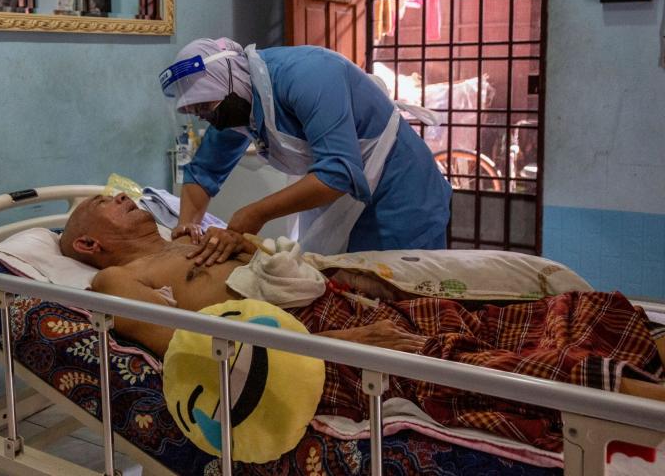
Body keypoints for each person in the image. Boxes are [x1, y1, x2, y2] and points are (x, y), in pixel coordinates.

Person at [59, 192, 665, 446]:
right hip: (320, 346)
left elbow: (276, 266)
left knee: (564, 311)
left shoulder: (190, 238)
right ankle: (645, 403)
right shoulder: (118, 282)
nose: (126, 198)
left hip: (346, 306)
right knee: (485, 368)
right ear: (89, 245)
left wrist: (249, 249)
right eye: (105, 203)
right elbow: (199, 346)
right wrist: (347, 340)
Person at [159, 38, 452, 267]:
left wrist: (253, 214)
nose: (203, 117)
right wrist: (187, 226)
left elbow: (337, 173)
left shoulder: (308, 74)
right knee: (341, 289)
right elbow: (203, 172)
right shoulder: (234, 105)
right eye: (195, 111)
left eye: (205, 107)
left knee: (398, 292)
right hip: (341, 197)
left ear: (229, 82)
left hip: (401, 189)